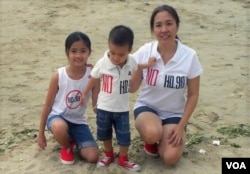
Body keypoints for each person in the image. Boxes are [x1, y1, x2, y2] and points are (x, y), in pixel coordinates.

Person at [129, 5, 203, 165]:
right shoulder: (145, 51)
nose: (164, 29)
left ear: (177, 25)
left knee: (170, 158)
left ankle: (167, 135)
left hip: (174, 114)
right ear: (153, 29)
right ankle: (151, 140)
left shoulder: (189, 56)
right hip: (147, 108)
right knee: (151, 133)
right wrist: (139, 66)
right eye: (158, 25)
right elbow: (132, 87)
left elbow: (193, 95)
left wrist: (181, 126)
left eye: (169, 23)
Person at [80, 25, 155, 172]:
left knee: (124, 135)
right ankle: (108, 154)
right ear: (108, 46)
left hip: (122, 109)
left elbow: (137, 66)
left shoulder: (130, 61)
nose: (116, 57)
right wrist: (85, 93)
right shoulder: (103, 63)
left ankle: (123, 158)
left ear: (129, 50)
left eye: (121, 55)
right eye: (112, 52)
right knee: (105, 134)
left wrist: (149, 64)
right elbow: (93, 78)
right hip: (104, 107)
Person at [37, 31, 99, 165]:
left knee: (93, 157)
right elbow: (47, 106)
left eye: (83, 51)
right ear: (67, 53)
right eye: (74, 51)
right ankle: (67, 146)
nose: (78, 55)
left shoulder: (93, 76)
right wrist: (41, 133)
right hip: (58, 117)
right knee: (59, 128)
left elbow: (96, 106)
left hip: (78, 122)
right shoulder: (58, 76)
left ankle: (73, 138)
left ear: (89, 52)